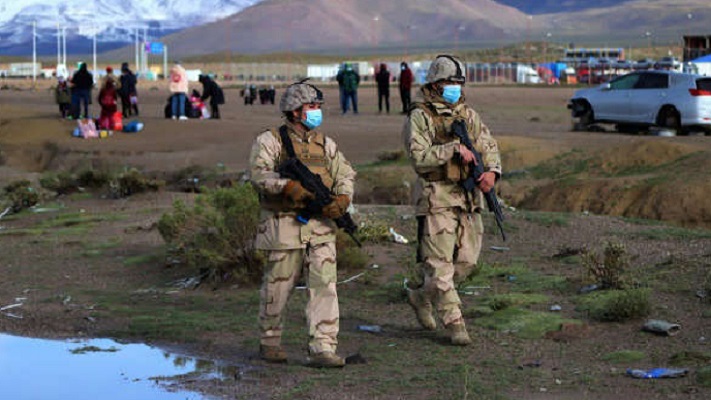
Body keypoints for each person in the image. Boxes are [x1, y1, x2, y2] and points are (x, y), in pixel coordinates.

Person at [249, 80, 356, 368]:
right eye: (312, 107)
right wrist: (288, 187)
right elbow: (259, 176)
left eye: (318, 107)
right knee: (277, 288)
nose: (317, 112)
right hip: (283, 227)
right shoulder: (269, 141)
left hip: (320, 229)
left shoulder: (326, 144)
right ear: (295, 111)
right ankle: (270, 342)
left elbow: (345, 172)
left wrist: (343, 199)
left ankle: (323, 348)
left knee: (324, 287)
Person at [402, 55, 501, 346]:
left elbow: (488, 144)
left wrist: (492, 172)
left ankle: (421, 296)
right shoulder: (419, 116)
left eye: (459, 83)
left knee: (467, 262)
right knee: (440, 265)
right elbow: (419, 158)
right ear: (435, 83)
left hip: (469, 198)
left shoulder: (468, 115)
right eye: (449, 82)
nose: (455, 87)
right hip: (437, 197)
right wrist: (452, 150)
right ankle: (455, 323)